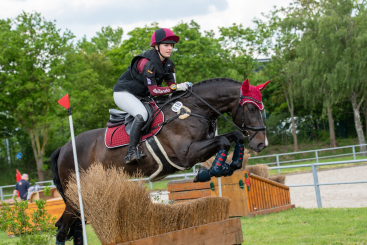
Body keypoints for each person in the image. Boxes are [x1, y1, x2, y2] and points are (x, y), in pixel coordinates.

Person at [113, 28, 190, 165]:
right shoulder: (147, 63)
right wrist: (177, 86)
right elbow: (155, 91)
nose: (170, 48)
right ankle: (131, 152)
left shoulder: (169, 64)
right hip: (124, 93)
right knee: (142, 114)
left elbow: (171, 88)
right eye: (166, 45)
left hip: (142, 96)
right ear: (156, 46)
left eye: (171, 45)